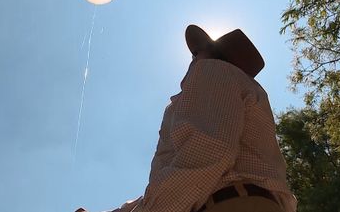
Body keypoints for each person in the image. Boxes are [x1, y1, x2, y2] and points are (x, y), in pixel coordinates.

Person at [77, 25, 297, 212]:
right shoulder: (233, 88)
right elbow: (185, 173)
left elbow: (208, 151)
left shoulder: (212, 70)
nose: (192, 60)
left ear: (211, 56)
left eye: (197, 53)